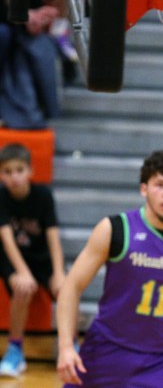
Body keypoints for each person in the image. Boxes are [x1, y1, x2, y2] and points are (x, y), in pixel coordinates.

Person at [56, 150, 163, 387]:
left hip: (162, 361)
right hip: (106, 351)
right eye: (160, 185)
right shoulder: (114, 228)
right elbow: (72, 286)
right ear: (144, 189)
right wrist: (66, 346)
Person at [0, 143, 65, 377]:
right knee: (23, 287)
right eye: (7, 171)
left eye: (19, 170)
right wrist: (21, 272)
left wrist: (58, 273)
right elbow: (6, 238)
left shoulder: (43, 195)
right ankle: (15, 349)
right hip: (13, 257)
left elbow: (53, 237)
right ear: (0, 175)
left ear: (30, 171)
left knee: (65, 288)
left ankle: (68, 345)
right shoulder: (1, 196)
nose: (14, 177)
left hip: (41, 257)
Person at [0, 0, 64, 129]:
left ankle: (42, 105)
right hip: (11, 33)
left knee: (45, 46)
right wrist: (25, 17)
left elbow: (61, 20)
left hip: (30, 38)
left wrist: (44, 17)